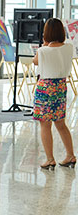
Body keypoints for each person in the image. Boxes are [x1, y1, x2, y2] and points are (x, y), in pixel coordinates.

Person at [32, 18, 75, 169]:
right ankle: (70, 156)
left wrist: (44, 45)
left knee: (45, 125)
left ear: (46, 33)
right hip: (61, 87)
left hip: (45, 88)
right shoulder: (69, 47)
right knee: (61, 123)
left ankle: (50, 160)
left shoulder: (43, 50)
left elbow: (35, 61)